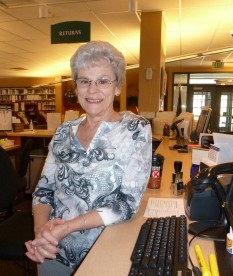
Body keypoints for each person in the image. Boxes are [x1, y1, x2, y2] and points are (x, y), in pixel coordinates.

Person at [25, 41, 152, 275]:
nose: (92, 90)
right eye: (84, 81)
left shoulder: (135, 129)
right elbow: (43, 190)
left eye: (103, 81)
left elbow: (127, 203)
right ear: (76, 86)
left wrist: (67, 228)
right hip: (53, 249)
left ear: (117, 87)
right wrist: (42, 232)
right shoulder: (64, 131)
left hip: (104, 249)